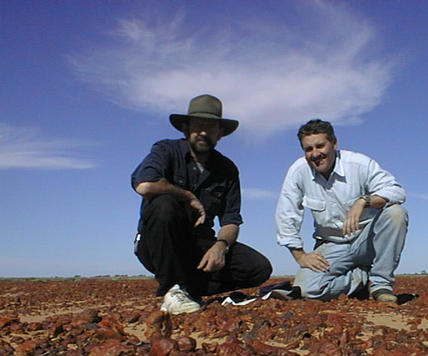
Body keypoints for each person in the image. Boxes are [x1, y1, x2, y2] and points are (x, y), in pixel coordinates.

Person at [132, 94, 272, 314]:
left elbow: (231, 219)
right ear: (186, 129)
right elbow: (144, 184)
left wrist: (220, 246)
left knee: (258, 268)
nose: (203, 132)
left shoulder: (227, 169)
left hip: (198, 245)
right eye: (198, 126)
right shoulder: (166, 150)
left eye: (211, 127)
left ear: (220, 133)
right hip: (158, 242)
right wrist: (186, 196)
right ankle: (170, 289)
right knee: (165, 203)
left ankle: (186, 288)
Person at [275, 119, 408, 303]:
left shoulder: (359, 164)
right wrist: (300, 256)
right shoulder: (298, 171)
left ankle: (381, 285)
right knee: (307, 290)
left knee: (396, 213)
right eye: (308, 149)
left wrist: (364, 201)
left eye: (320, 146)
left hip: (367, 239)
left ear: (334, 143)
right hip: (332, 244)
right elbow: (286, 214)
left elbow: (396, 191)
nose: (315, 154)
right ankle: (361, 278)